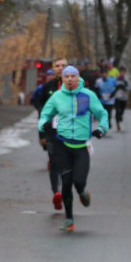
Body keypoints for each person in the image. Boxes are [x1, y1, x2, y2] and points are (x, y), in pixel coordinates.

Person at [38, 65, 109, 232]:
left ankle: (83, 192)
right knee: (66, 183)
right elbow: (45, 115)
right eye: (66, 76)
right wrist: (44, 124)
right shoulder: (57, 97)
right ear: (62, 79)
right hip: (62, 145)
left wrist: (101, 129)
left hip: (81, 146)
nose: (70, 79)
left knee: (78, 181)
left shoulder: (87, 95)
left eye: (73, 76)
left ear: (78, 78)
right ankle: (69, 219)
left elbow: (102, 114)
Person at [37, 60, 67, 210]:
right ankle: (56, 193)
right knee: (54, 161)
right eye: (57, 66)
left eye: (63, 66)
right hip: (52, 131)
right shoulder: (47, 87)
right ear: (54, 70)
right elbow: (42, 112)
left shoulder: (75, 87)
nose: (60, 69)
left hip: (70, 131)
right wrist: (41, 134)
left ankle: (67, 192)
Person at [113, 67, 131, 131]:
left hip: (124, 97)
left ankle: (120, 116)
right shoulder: (116, 79)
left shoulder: (126, 79)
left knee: (122, 110)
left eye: (123, 72)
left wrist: (125, 88)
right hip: (117, 97)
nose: (122, 73)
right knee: (117, 110)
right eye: (121, 71)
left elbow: (130, 88)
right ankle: (117, 124)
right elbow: (112, 86)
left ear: (124, 72)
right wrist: (116, 88)